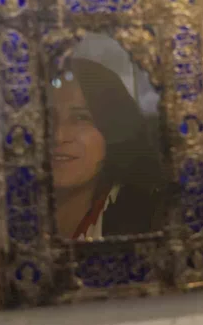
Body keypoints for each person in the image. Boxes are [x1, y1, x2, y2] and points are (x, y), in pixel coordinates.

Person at [49, 57, 164, 239]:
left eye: (81, 118)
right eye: (48, 117)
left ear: (113, 129)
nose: (59, 136)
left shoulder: (153, 222)